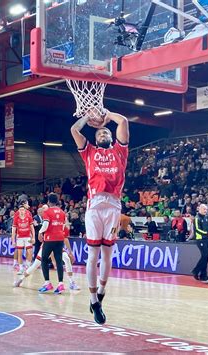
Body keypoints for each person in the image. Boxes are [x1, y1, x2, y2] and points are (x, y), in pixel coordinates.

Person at [70, 108, 129, 325]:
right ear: (95, 140)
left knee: (108, 253)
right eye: (99, 134)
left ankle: (101, 293)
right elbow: (74, 130)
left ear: (112, 138)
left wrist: (106, 114)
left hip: (113, 206)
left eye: (106, 134)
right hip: (94, 206)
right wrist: (87, 117)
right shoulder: (89, 152)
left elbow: (122, 120)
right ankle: (93, 300)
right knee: (92, 254)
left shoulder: (120, 152)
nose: (103, 135)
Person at [14, 215, 80, 291]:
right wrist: (54, 261)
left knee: (67, 259)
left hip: (57, 246)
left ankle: (72, 282)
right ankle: (21, 279)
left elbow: (65, 239)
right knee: (35, 266)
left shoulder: (64, 228)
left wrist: (70, 252)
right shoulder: (50, 226)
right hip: (47, 246)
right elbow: (50, 247)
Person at [37, 193, 67, 294]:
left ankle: (47, 283)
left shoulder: (47, 211)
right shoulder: (62, 212)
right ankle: (60, 284)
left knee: (44, 259)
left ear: (49, 201)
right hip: (60, 238)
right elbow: (63, 226)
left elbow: (45, 225)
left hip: (50, 239)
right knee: (59, 260)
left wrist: (40, 232)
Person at [11, 203, 35, 274]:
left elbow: (32, 228)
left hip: (27, 237)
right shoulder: (16, 218)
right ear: (18, 211)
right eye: (20, 210)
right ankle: (21, 268)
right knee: (20, 253)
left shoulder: (29, 217)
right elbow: (13, 230)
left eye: (23, 210)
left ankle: (27, 266)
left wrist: (33, 237)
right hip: (20, 238)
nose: (21, 211)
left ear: (25, 211)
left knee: (30, 252)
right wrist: (13, 240)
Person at [190, 204, 208, 281]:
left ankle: (203, 275)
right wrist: (207, 233)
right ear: (200, 209)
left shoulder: (206, 218)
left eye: (206, 209)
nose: (206, 211)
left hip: (206, 239)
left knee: (206, 257)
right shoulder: (196, 218)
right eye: (204, 209)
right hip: (200, 239)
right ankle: (195, 270)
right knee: (204, 256)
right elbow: (197, 229)